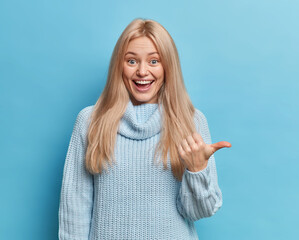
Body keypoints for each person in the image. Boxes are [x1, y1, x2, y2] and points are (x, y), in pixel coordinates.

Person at [58, 18, 231, 240]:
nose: (142, 71)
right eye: (131, 61)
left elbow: (200, 212)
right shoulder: (91, 121)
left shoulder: (191, 121)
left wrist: (197, 170)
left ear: (168, 67)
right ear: (119, 66)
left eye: (154, 61)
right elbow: (74, 209)